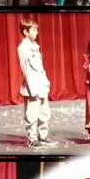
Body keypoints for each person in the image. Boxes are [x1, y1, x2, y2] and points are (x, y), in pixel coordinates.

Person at [17, 19, 55, 150]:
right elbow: (26, 71)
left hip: (41, 85)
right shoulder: (23, 48)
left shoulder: (35, 46)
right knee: (32, 114)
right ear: (25, 32)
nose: (37, 32)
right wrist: (33, 90)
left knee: (44, 112)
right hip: (32, 87)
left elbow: (40, 68)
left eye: (36, 30)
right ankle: (32, 140)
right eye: (34, 30)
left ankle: (42, 137)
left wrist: (46, 83)